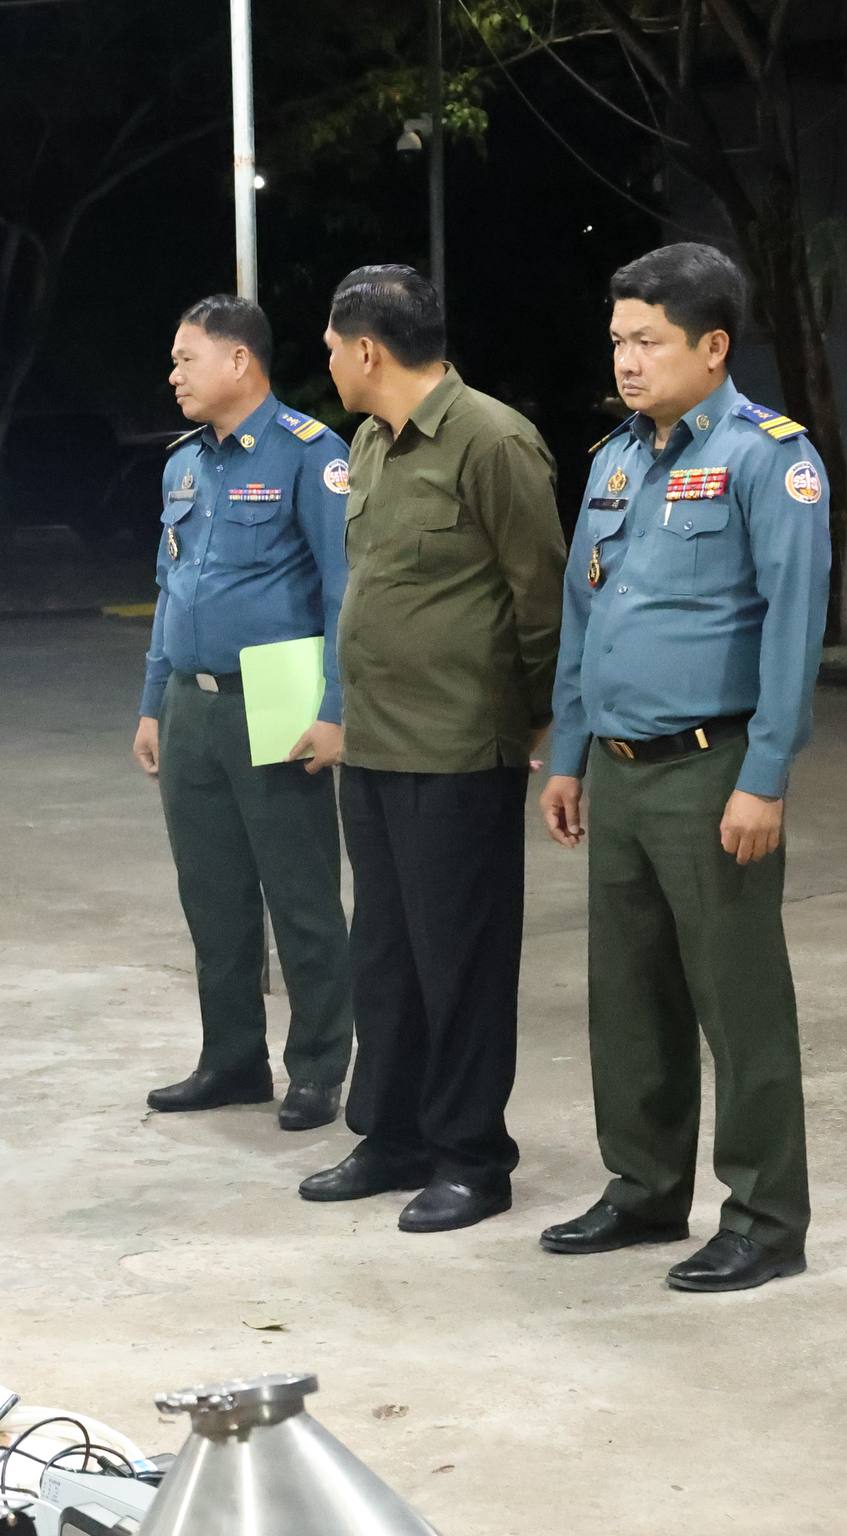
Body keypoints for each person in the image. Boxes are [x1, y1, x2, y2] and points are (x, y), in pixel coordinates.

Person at [537, 243, 827, 1293]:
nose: (626, 360)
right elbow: (585, 613)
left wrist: (765, 776)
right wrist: (568, 753)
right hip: (617, 770)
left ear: (712, 347)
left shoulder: (769, 458)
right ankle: (644, 1188)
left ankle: (765, 1219)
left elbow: (793, 628)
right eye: (618, 340)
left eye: (648, 342)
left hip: (713, 770)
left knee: (737, 1002)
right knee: (628, 996)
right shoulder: (614, 460)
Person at [311, 264, 564, 1233]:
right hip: (376, 744)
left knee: (460, 963)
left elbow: (540, 597)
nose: (328, 363)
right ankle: (392, 1135)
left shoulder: (492, 440)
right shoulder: (370, 444)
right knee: (384, 956)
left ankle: (471, 1156)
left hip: (458, 747)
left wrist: (532, 717)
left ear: (367, 350)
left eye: (331, 348)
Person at [131, 296, 353, 1133]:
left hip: (279, 691)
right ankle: (231, 1060)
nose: (174, 375)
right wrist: (153, 703)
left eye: (186, 359)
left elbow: (344, 591)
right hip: (191, 702)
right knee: (212, 895)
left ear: (238, 362)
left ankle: (318, 1067)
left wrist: (335, 707)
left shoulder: (310, 454)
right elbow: (170, 587)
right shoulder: (183, 464)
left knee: (299, 895)